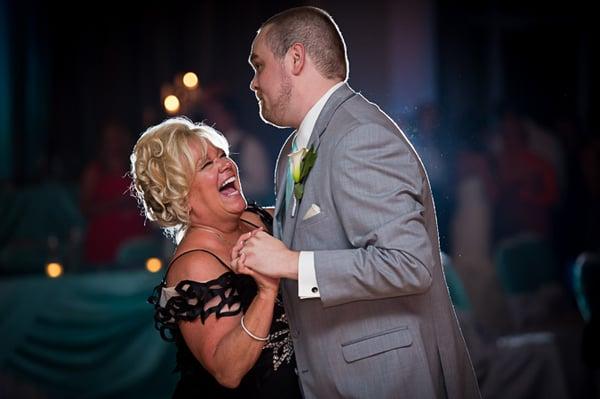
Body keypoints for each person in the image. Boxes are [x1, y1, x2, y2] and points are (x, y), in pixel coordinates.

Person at [231, 6, 480, 398]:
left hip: (387, 379)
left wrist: (291, 263)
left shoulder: (360, 137)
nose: (253, 82)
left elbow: (409, 263)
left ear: (295, 59)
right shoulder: (297, 148)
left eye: (258, 66)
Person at [130, 117, 301, 398]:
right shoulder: (193, 265)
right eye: (207, 165)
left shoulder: (256, 218)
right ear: (183, 196)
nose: (226, 165)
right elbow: (228, 370)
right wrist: (267, 292)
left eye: (222, 155)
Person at [80, 120, 149, 265]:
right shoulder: (95, 172)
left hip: (136, 244)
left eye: (117, 138)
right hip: (103, 242)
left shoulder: (136, 169)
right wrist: (115, 205)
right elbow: (85, 208)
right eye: (109, 139)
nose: (114, 144)